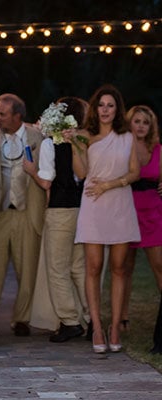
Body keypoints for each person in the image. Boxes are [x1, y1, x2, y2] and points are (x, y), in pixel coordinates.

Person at [74, 84, 140, 353]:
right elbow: (81, 172)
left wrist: (110, 185)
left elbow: (135, 172)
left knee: (119, 268)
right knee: (93, 267)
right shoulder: (85, 136)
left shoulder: (127, 137)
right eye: (101, 105)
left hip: (119, 203)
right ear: (95, 108)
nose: (105, 110)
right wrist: (75, 145)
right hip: (93, 204)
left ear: (117, 110)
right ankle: (97, 328)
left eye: (110, 105)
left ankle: (115, 327)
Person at [24, 97, 91, 342]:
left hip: (60, 210)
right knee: (79, 267)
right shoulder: (82, 141)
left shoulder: (51, 144)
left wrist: (31, 170)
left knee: (58, 269)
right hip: (82, 209)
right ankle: (92, 317)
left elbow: (46, 180)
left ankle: (70, 321)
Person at [0, 93, 46, 337]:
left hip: (27, 211)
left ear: (18, 116)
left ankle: (22, 318)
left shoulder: (37, 137)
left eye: (2, 114)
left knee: (27, 266)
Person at [121, 105, 162, 353]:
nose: (140, 126)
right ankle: (122, 317)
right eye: (136, 121)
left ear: (151, 126)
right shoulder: (122, 147)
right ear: (130, 123)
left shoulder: (158, 150)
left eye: (145, 122)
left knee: (159, 266)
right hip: (126, 212)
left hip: (154, 215)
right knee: (124, 267)